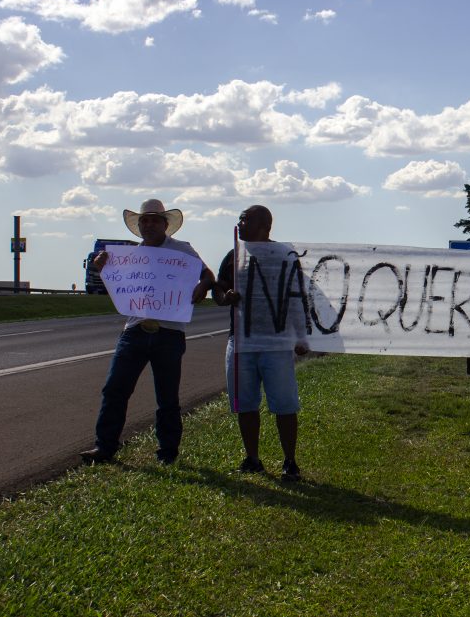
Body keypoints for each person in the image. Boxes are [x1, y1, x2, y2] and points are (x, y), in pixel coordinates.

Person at [80, 199, 215, 465]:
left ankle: (167, 452)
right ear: (139, 226)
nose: (149, 224)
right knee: (115, 389)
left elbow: (207, 274)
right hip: (135, 330)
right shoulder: (129, 257)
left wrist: (204, 286)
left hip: (169, 332)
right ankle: (105, 447)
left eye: (155, 220)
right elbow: (116, 287)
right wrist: (103, 267)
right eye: (145, 220)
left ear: (166, 225)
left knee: (167, 395)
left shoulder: (182, 250)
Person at [212, 205, 309, 481]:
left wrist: (301, 337)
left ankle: (290, 461)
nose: (240, 223)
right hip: (241, 343)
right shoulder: (234, 255)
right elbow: (218, 288)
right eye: (240, 219)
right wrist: (225, 297)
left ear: (265, 225)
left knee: (285, 404)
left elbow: (296, 296)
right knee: (245, 403)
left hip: (277, 344)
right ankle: (252, 458)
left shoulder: (284, 254)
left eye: (246, 219)